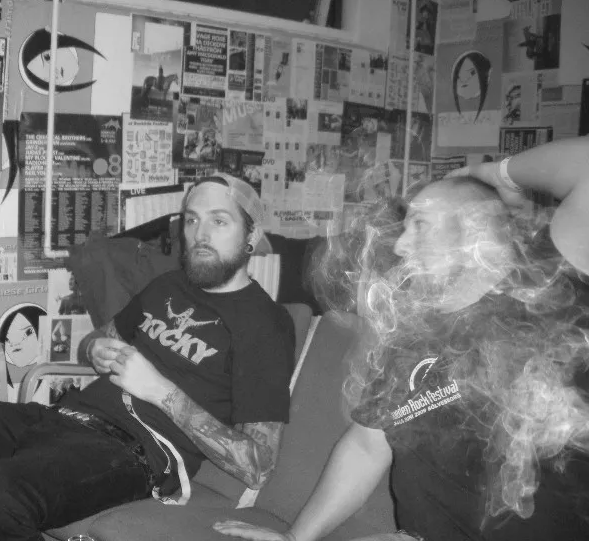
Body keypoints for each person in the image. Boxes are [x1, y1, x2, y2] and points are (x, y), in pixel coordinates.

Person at [214, 138, 589, 541]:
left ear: (476, 230)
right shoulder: (410, 336)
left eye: (420, 225)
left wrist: (492, 174)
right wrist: (295, 539)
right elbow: (367, 445)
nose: (399, 245)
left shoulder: (545, 288)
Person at [0, 173, 295, 541]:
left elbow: (258, 466)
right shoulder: (168, 286)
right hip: (62, 418)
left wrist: (160, 391)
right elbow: (98, 340)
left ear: (252, 236)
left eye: (219, 221)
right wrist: (94, 349)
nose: (201, 234)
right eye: (192, 220)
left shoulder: (266, 324)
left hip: (132, 452)